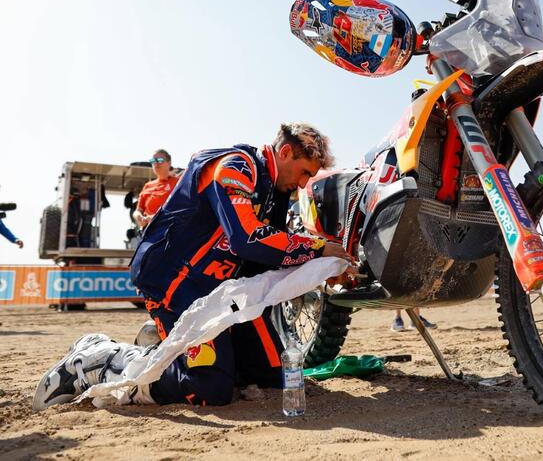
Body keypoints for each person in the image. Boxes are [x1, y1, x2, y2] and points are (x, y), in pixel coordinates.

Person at [33, 123, 353, 410]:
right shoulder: (236, 166)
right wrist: (317, 248)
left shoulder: (274, 189)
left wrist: (321, 267)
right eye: (304, 172)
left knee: (273, 375)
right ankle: (101, 359)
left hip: (219, 292)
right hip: (176, 284)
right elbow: (247, 239)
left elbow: (271, 252)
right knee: (209, 389)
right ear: (284, 153)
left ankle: (168, 346)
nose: (303, 184)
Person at [133, 149, 180, 229]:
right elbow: (138, 210)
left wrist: (156, 218)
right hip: (149, 230)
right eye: (153, 161)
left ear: (169, 163)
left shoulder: (178, 183)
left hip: (170, 230)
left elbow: (182, 208)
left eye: (159, 160)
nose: (156, 163)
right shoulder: (147, 186)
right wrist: (138, 216)